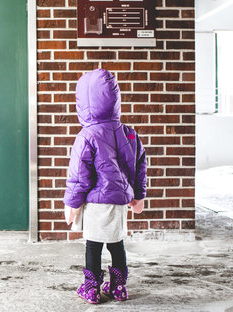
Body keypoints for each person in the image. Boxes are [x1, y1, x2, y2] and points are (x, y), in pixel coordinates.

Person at [63, 68, 147, 304]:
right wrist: (138, 196)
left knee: (93, 245)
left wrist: (72, 203)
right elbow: (139, 165)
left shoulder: (86, 135)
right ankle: (119, 287)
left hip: (95, 203)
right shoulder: (129, 133)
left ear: (83, 102)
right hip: (120, 202)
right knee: (117, 243)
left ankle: (91, 288)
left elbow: (79, 175)